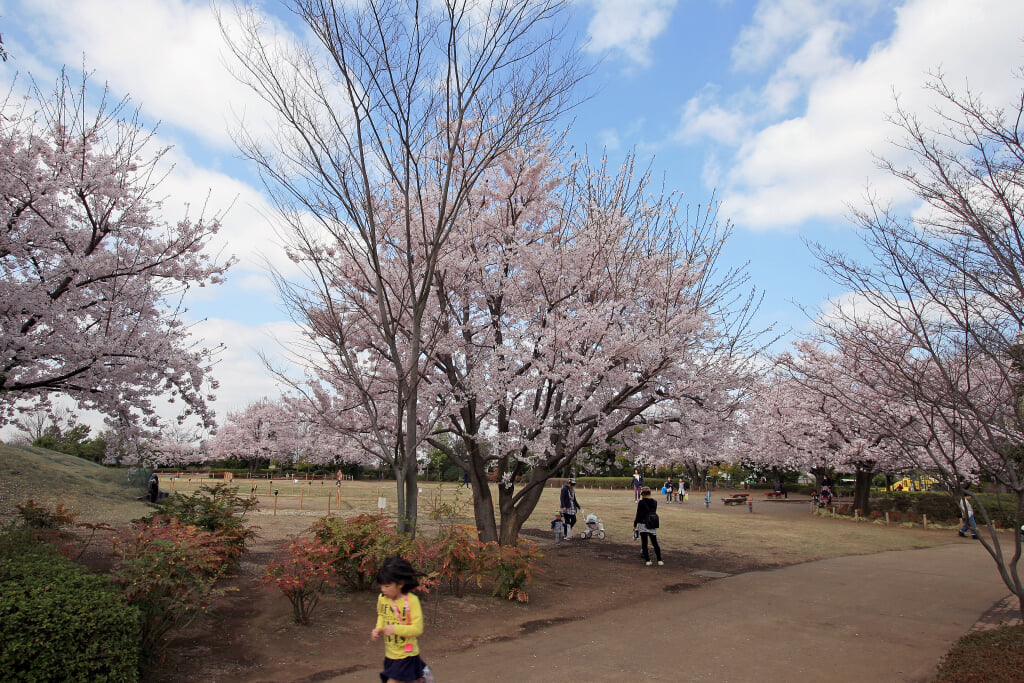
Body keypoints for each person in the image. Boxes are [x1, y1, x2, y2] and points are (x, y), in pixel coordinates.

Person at [371, 556, 429, 683]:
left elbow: (417, 629)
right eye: (382, 586)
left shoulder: (412, 601)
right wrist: (378, 629)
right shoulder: (382, 598)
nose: (383, 590)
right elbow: (381, 614)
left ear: (400, 584)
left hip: (407, 655)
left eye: (387, 586)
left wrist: (395, 629)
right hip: (390, 655)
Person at [633, 486, 663, 566]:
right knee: (655, 542)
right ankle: (659, 560)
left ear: (642, 494)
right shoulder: (654, 502)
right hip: (652, 523)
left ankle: (648, 560)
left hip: (643, 523)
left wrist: (635, 525)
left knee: (644, 543)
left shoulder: (641, 502)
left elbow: (638, 514)